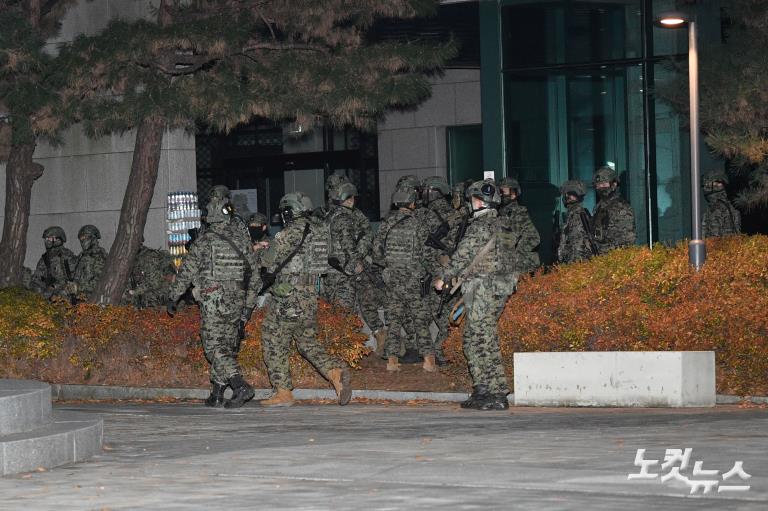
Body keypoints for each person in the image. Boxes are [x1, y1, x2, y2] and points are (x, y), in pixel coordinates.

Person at [167, 185, 261, 408]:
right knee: (226, 345)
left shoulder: (205, 240)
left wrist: (173, 297)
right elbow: (256, 275)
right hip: (237, 299)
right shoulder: (242, 239)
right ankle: (217, 393)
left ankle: (239, 385)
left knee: (213, 347)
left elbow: (187, 271)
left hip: (213, 299)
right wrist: (247, 307)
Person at [258, 192, 352, 407]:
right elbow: (328, 258)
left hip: (288, 295)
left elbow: (267, 262)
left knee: (273, 338)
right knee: (307, 341)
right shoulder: (320, 231)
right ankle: (334, 372)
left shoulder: (288, 233)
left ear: (290, 211)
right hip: (310, 293)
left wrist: (258, 251)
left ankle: (283, 392)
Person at [434, 180, 517, 411]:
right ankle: (483, 388)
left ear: (478, 201)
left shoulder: (480, 226)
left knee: (482, 338)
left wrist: (444, 278)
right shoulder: (505, 225)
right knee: (473, 337)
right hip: (500, 288)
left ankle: (497, 391)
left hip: (483, 288)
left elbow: (463, 255)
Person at [373, 188, 437, 373]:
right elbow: (429, 254)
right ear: (412, 203)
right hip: (414, 280)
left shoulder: (385, 224)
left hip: (393, 279)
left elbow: (377, 253)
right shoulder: (418, 224)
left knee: (394, 321)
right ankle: (428, 361)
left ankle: (392, 361)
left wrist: (390, 265)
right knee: (420, 321)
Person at [497, 176, 541, 273]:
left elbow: (533, 237)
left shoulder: (518, 212)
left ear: (513, 194)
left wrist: (515, 255)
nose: (500, 195)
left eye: (503, 192)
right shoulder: (501, 212)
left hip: (522, 267)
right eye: (500, 191)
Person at [592, 166, 636, 254]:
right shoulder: (599, 207)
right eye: (598, 185)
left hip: (614, 260)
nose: (601, 187)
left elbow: (627, 241)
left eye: (604, 184)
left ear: (614, 184)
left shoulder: (621, 207)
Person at [30, 226, 77, 301]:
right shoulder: (45, 258)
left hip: (63, 294)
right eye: (46, 239)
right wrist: (36, 287)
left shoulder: (67, 257)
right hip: (47, 293)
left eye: (49, 238)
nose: (46, 241)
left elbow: (72, 279)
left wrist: (53, 287)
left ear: (58, 240)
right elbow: (37, 278)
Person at [122, 243, 176, 308]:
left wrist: (135, 292)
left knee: (148, 298)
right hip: (160, 286)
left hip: (168, 290)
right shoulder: (139, 257)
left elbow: (154, 282)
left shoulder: (148, 258)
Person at [556, 180, 597, 264]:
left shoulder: (576, 214)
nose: (567, 197)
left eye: (571, 194)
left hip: (577, 264)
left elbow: (577, 245)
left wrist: (572, 267)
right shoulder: (574, 213)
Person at [702, 169, 741, 237]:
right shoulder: (717, 206)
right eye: (705, 185)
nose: (705, 187)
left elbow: (716, 237)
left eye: (707, 184)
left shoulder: (719, 207)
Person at [72, 224, 107, 299]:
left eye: (84, 237)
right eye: (80, 238)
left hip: (92, 300)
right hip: (79, 298)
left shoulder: (99, 256)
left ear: (93, 238)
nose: (82, 241)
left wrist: (79, 287)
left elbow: (101, 281)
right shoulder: (82, 255)